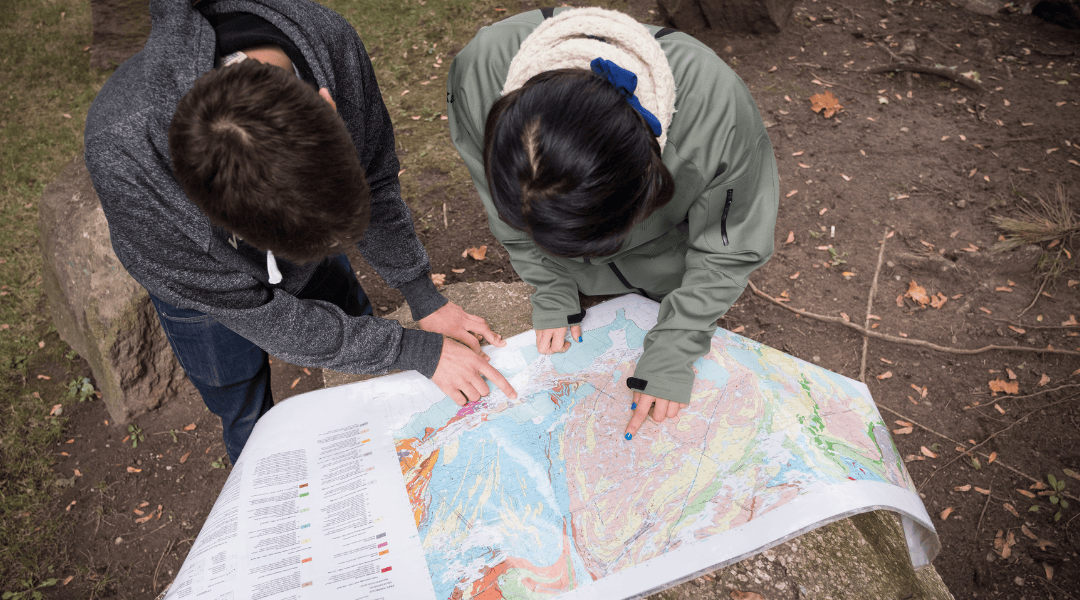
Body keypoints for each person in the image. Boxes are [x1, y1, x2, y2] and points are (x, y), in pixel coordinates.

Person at [85, 0, 515, 464]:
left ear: (328, 105)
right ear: (198, 200)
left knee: (349, 311)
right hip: (200, 293)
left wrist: (422, 295)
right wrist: (409, 346)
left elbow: (375, 183)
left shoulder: (330, 43)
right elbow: (264, 318)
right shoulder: (124, 149)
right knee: (240, 404)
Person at [447, 7, 778, 439]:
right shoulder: (480, 74)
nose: (582, 258)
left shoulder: (716, 109)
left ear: (649, 176)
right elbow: (503, 208)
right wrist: (551, 283)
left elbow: (730, 243)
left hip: (668, 272)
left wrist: (676, 345)